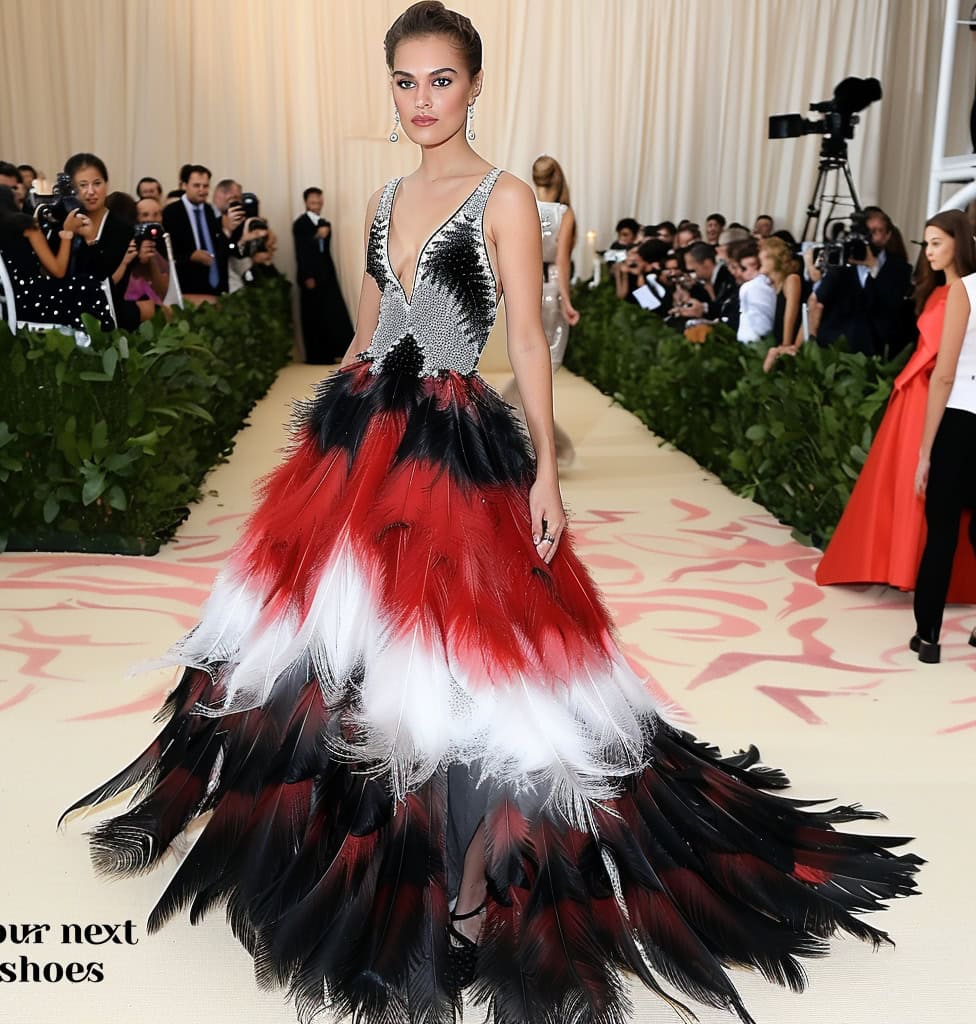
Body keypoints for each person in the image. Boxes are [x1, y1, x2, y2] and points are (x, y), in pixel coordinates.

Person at [59, 5, 920, 1024]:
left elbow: (526, 332)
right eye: (405, 82)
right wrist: (326, 432)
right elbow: (369, 329)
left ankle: (466, 879)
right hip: (363, 440)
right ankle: (365, 856)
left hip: (458, 446)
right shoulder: (381, 199)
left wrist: (544, 466)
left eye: (440, 81)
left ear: (474, 85)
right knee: (336, 649)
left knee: (468, 655)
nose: (421, 100)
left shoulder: (505, 197)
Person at [817, 210, 976, 603]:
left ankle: (925, 601)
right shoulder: (938, 290)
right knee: (914, 493)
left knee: (928, 493)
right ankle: (903, 575)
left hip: (934, 397)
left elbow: (946, 364)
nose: (930, 252)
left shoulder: (960, 293)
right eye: (927, 244)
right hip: (917, 393)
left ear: (961, 242)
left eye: (938, 243)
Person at [912, 265, 976, 663]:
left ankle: (929, 636)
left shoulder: (966, 289)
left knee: (942, 532)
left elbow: (945, 373)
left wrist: (925, 450)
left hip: (962, 420)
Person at [500, 154, 579, 467]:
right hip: (551, 293)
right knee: (544, 367)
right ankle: (534, 439)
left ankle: (532, 441)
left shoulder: (526, 207)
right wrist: (568, 302)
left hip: (527, 289)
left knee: (530, 367)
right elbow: (561, 262)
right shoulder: (563, 213)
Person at [0, 184, 111, 329]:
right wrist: (68, 232)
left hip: (16, 302)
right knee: (88, 284)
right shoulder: (26, 226)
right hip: (36, 301)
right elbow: (59, 271)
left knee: (82, 284)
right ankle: (99, 338)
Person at [65, 153, 156, 327]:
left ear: (106, 185)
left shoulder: (122, 229)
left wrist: (91, 240)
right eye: (82, 185)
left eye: (97, 183)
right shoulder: (63, 224)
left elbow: (105, 285)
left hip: (107, 311)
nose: (91, 191)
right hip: (65, 306)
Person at [814, 207, 915, 358]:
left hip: (877, 349)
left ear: (888, 235)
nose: (870, 237)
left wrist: (873, 266)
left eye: (877, 231)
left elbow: (891, 303)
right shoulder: (843, 261)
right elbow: (821, 296)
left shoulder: (900, 268)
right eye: (867, 231)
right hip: (837, 344)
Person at [293, 186, 354, 362]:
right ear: (306, 202)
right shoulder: (300, 224)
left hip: (326, 274)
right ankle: (317, 356)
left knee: (332, 312)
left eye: (319, 201)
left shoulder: (324, 223)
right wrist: (307, 276)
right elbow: (302, 251)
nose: (317, 204)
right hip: (310, 276)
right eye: (313, 201)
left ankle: (339, 351)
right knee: (313, 315)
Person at [161, 164, 228, 298]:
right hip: (186, 284)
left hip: (213, 282)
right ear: (184, 186)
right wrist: (190, 256)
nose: (202, 190)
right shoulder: (172, 212)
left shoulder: (210, 210)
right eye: (197, 186)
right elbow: (165, 253)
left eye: (205, 186)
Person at [735, 242, 776, 342]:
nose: (750, 271)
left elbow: (761, 326)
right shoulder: (749, 287)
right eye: (744, 268)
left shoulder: (751, 287)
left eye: (754, 265)